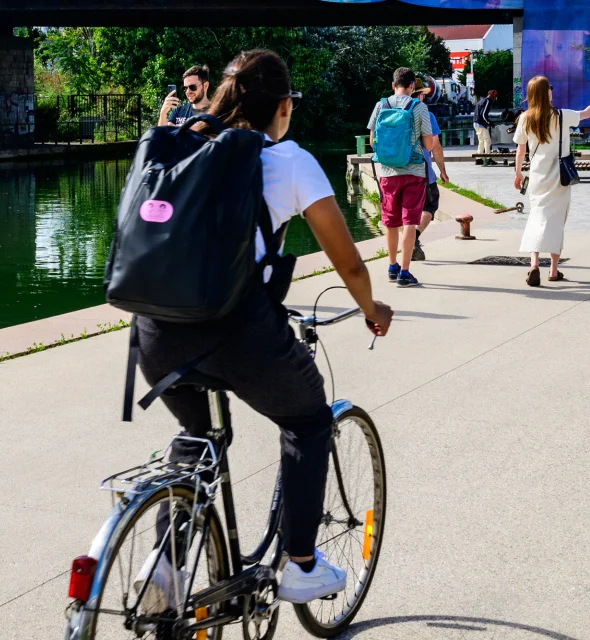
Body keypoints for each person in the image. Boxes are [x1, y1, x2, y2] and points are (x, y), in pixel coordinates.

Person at [136, 49, 394, 606]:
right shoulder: (289, 159)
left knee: (197, 439)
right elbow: (347, 262)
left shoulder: (184, 142)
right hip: (235, 331)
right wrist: (373, 308)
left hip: (155, 329)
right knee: (306, 419)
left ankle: (162, 573)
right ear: (283, 107)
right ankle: (301, 565)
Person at [512, 76, 590, 287]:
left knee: (536, 218)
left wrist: (518, 173)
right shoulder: (562, 116)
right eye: (550, 88)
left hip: (537, 176)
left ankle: (534, 264)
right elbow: (585, 114)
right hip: (559, 178)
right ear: (547, 93)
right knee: (556, 222)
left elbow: (520, 150)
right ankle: (553, 270)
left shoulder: (525, 118)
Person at [365, 67, 442, 288]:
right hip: (414, 173)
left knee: (390, 221)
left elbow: (373, 141)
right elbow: (429, 145)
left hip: (388, 173)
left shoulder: (381, 105)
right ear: (411, 86)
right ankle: (405, 272)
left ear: (393, 85)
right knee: (409, 221)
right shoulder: (419, 108)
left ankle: (391, 267)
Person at [408, 78, 452, 260]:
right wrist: (442, 170)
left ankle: (405, 246)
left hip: (398, 171)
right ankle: (414, 239)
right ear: (420, 95)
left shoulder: (392, 110)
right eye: (423, 94)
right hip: (422, 171)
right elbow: (435, 146)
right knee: (430, 204)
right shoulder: (426, 114)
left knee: (407, 210)